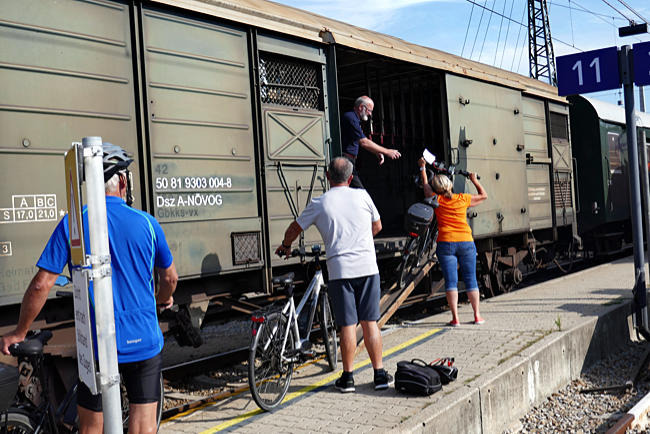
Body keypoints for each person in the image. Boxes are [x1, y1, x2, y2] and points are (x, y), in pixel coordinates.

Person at [0, 143, 178, 434]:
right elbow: (169, 278)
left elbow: (41, 285)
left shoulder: (74, 223)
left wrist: (19, 332)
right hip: (144, 340)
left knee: (92, 427)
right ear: (122, 181)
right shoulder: (148, 223)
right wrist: (162, 301)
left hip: (96, 346)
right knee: (144, 424)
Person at [275, 157, 392, 392]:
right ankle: (379, 375)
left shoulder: (320, 203)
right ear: (350, 178)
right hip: (368, 268)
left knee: (347, 324)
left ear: (328, 177)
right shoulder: (362, 195)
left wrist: (286, 245)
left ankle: (348, 378)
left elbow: (295, 228)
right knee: (370, 322)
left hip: (340, 271)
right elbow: (377, 226)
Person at [418, 158, 487, 326]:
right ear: (450, 186)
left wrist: (422, 169)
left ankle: (455, 319)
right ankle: (477, 316)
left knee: (451, 281)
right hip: (466, 242)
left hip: (446, 243)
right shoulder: (462, 198)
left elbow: (426, 189)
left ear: (437, 189)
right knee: (471, 279)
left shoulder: (436, 200)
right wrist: (474, 180)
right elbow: (484, 196)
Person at [341, 96, 402, 189]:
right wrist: (387, 151)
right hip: (345, 160)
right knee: (359, 191)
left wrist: (376, 151)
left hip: (349, 161)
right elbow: (364, 142)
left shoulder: (354, 119)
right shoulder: (351, 118)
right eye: (369, 110)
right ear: (361, 107)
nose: (370, 114)